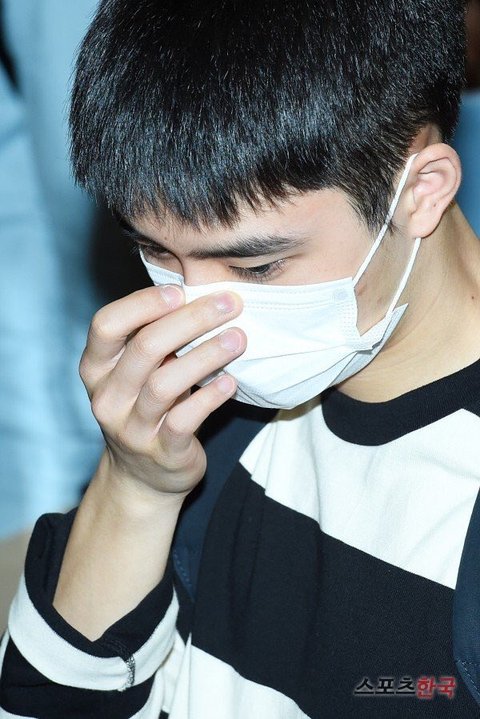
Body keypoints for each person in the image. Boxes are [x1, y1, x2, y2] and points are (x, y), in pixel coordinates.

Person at [1, 0, 480, 716]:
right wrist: (137, 485)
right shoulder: (199, 414)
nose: (197, 319)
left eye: (257, 269)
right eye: (157, 253)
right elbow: (46, 703)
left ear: (420, 191)